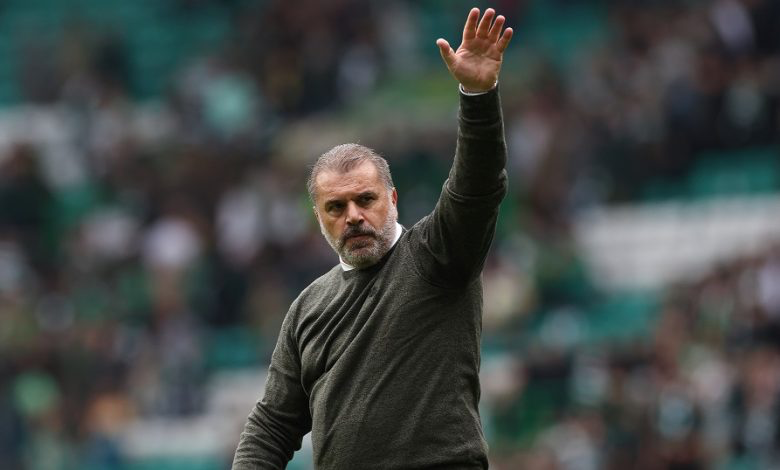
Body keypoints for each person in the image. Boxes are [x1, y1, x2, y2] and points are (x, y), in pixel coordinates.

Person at [233, 7, 513, 469]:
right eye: (336, 207)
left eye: (366, 199)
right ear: (318, 218)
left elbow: (476, 187)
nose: (354, 216)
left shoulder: (436, 255)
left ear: (393, 199)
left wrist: (478, 95)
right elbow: (272, 424)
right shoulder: (307, 308)